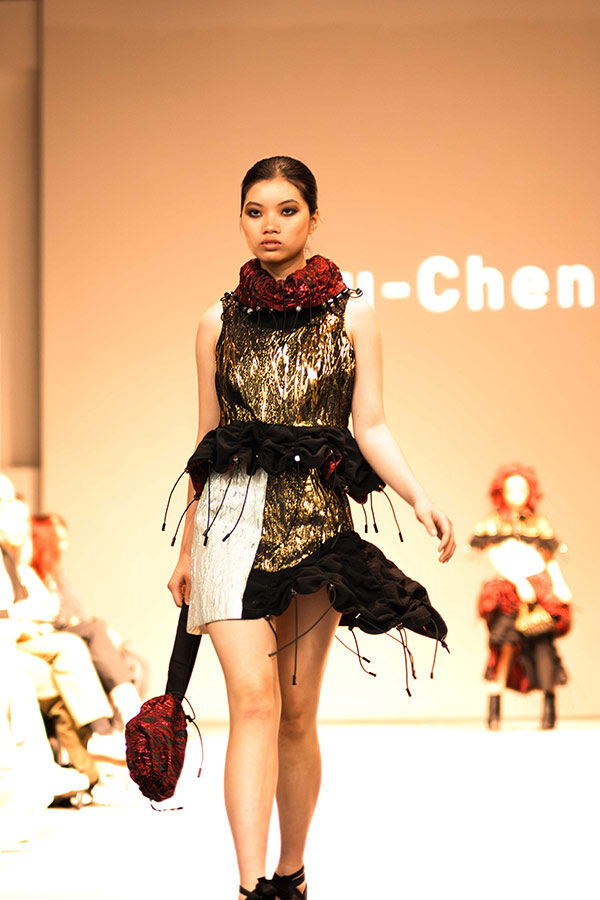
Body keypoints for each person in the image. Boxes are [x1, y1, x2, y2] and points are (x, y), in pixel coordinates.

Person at [165, 156, 455, 900]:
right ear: (240, 219)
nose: (270, 224)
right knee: (252, 704)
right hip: (229, 526)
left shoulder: (353, 314)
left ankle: (291, 872)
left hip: (318, 528)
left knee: (296, 713)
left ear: (313, 219)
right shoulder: (214, 324)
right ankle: (247, 884)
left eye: (287, 210)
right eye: (256, 210)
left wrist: (417, 496)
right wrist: (189, 543)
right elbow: (207, 436)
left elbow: (373, 424)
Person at [468, 463, 572, 730]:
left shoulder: (538, 523)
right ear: (501, 491)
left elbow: (548, 558)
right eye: (511, 488)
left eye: (522, 488)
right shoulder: (493, 522)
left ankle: (549, 711)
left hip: (539, 589)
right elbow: (495, 555)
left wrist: (560, 585)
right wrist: (518, 582)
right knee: (503, 645)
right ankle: (494, 710)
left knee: (543, 647)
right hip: (507, 592)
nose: (517, 493)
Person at [30, 513, 145, 725]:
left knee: (136, 664)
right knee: (96, 632)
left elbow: (78, 613)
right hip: (53, 633)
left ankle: (124, 725)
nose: (63, 547)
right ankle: (127, 718)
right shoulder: (31, 574)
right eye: (59, 540)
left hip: (73, 630)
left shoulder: (58, 575)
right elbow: (51, 614)